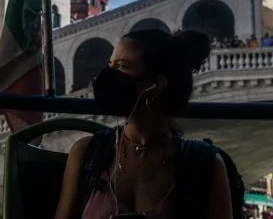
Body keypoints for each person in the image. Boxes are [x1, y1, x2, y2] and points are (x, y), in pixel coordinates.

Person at [53, 29, 233, 219]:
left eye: (122, 66)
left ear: (156, 85)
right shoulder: (85, 153)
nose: (106, 77)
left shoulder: (205, 165)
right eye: (110, 65)